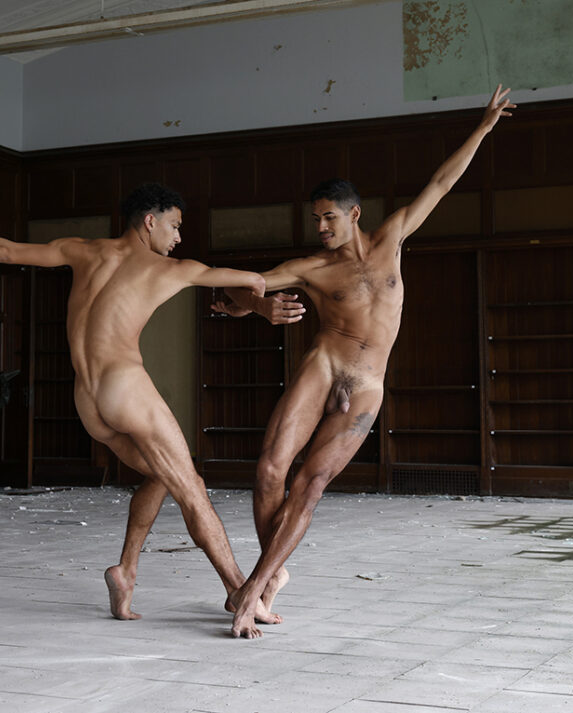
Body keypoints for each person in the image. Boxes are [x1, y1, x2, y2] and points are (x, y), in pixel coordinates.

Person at [0, 183, 278, 638]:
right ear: (149, 222)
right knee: (191, 487)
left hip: (87, 398)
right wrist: (256, 306)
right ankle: (240, 594)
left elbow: (6, 251)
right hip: (124, 385)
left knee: (162, 475)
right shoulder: (171, 268)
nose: (177, 238)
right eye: (174, 226)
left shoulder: (81, 250)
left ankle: (126, 571)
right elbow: (251, 280)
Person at [214, 85, 516, 638]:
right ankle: (265, 582)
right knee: (268, 472)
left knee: (310, 484)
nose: (322, 228)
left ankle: (254, 586)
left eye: (329, 218)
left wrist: (483, 127)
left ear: (354, 214)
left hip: (367, 385)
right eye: (316, 220)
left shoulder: (392, 237)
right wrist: (255, 308)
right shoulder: (312, 267)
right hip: (324, 364)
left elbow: (442, 183)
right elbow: (243, 285)